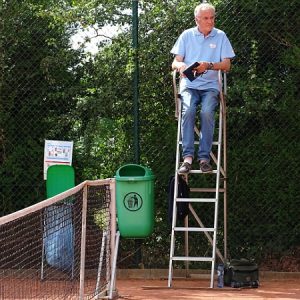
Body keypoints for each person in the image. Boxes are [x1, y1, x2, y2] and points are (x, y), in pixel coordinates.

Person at [171, 3, 235, 173]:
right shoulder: (186, 35)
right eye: (206, 18)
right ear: (197, 19)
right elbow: (174, 62)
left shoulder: (221, 36)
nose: (210, 21)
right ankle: (188, 158)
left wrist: (209, 65)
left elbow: (227, 65)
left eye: (212, 17)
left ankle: (204, 158)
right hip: (189, 85)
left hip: (211, 87)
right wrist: (182, 66)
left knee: (207, 112)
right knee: (189, 110)